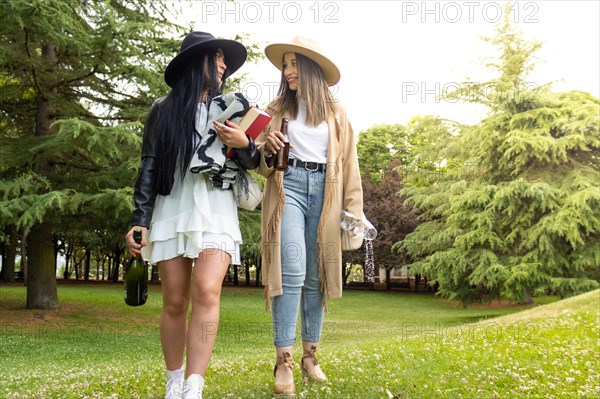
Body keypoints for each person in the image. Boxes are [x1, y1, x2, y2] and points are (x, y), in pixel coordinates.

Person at [125, 32, 259, 399]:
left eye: (224, 60)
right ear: (195, 61)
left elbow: (256, 162)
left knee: (206, 290)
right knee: (174, 300)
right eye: (216, 57)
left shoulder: (235, 110)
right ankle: (173, 381)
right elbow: (148, 167)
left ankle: (194, 386)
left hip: (217, 209)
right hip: (173, 208)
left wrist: (244, 145)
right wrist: (140, 219)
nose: (223, 64)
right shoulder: (163, 110)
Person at [256, 36, 363, 396]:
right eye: (284, 65)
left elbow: (350, 167)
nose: (287, 72)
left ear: (311, 68)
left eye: (293, 64)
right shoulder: (276, 110)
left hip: (327, 193)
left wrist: (355, 213)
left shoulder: (337, 113)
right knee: (291, 269)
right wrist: (267, 151)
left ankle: (310, 357)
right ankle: (283, 360)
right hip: (289, 189)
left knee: (317, 276)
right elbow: (260, 165)